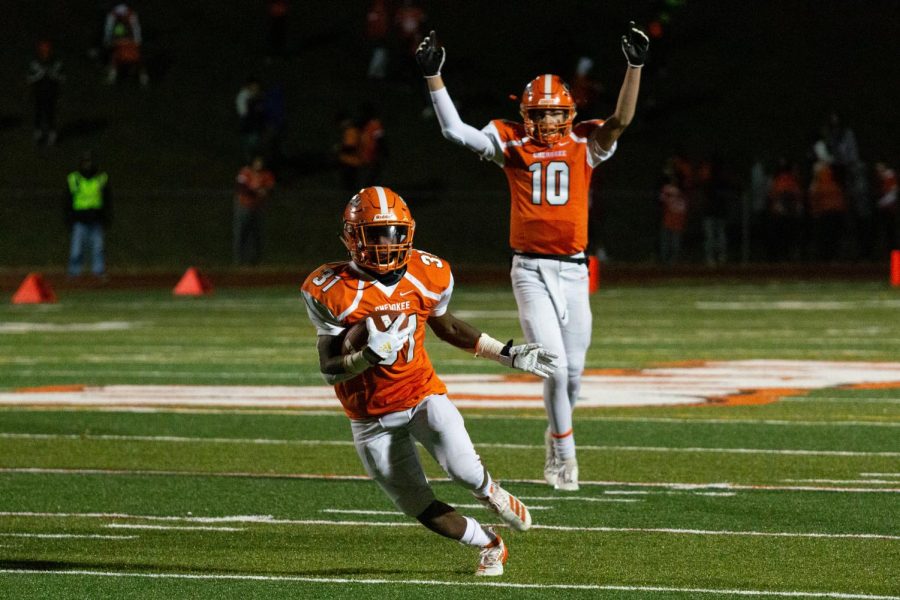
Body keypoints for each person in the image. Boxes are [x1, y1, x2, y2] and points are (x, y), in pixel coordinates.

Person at [416, 23, 648, 491]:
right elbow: (455, 131)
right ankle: (564, 454)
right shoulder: (511, 141)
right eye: (538, 115)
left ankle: (555, 431)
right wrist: (434, 78)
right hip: (530, 270)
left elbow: (621, 120)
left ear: (568, 113)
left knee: (575, 374)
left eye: (552, 114)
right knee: (554, 365)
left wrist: (634, 66)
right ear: (525, 115)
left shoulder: (585, 141)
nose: (544, 123)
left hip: (575, 271)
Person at [301, 186, 556, 576]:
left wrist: (508, 352)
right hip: (369, 417)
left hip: (422, 395)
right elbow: (329, 366)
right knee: (418, 505)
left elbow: (448, 326)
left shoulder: (428, 272)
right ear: (352, 237)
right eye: (376, 233)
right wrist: (367, 356)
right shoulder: (331, 289)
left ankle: (490, 491)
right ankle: (490, 543)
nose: (387, 243)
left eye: (394, 232)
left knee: (464, 470)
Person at [65, 151, 112, 279]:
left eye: (89, 162)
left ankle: (99, 271)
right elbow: (67, 200)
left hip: (96, 219)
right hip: (79, 219)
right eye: (85, 162)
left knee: (98, 248)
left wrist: (106, 217)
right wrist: (69, 218)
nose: (88, 165)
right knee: (76, 249)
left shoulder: (100, 178)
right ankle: (74, 272)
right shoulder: (74, 179)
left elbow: (107, 199)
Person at [234, 155, 275, 265]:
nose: (259, 164)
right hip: (245, 207)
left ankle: (256, 260)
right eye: (257, 162)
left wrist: (262, 191)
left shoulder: (266, 175)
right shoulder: (246, 172)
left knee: (257, 235)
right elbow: (242, 187)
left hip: (259, 208)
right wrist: (256, 191)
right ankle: (240, 260)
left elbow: (270, 188)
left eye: (260, 162)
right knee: (242, 233)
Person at [26, 40, 64, 147]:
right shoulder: (35, 63)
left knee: (50, 114)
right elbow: (30, 78)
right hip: (38, 93)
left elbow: (62, 78)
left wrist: (51, 73)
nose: (45, 53)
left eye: (47, 51)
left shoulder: (56, 62)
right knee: (38, 113)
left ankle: (52, 135)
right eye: (43, 51)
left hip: (51, 93)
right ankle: (38, 134)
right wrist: (40, 73)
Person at [103, 3, 149, 86]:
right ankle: (144, 80)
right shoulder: (124, 18)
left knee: (113, 59)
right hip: (133, 53)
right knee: (140, 63)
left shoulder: (119, 40)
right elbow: (136, 30)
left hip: (122, 54)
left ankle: (111, 78)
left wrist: (108, 40)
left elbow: (110, 35)